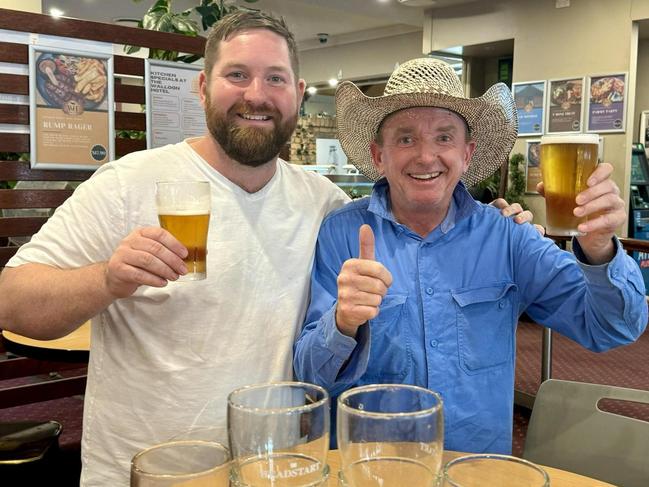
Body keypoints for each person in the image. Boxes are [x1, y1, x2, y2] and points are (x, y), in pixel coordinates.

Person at [0, 13, 532, 485]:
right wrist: (107, 280)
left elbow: (405, 225)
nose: (256, 93)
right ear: (204, 87)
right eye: (237, 75)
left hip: (281, 469)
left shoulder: (320, 201)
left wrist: (487, 224)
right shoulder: (129, 183)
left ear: (297, 93)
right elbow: (13, 300)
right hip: (156, 470)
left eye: (274, 78)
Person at [293, 57, 648, 455]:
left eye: (444, 138)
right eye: (406, 138)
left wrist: (600, 248)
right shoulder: (342, 234)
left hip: (477, 470)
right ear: (379, 156)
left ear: (467, 153)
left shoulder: (508, 236)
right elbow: (309, 378)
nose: (426, 157)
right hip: (371, 468)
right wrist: (342, 323)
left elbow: (613, 328)